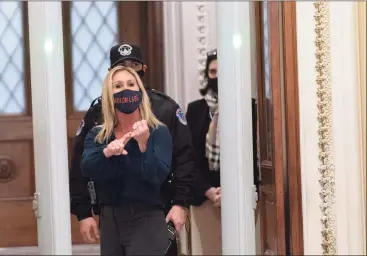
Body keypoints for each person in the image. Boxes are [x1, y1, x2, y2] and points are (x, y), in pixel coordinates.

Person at [69, 43, 196, 254]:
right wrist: (83, 211)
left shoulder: (164, 109)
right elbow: (81, 165)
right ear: (110, 75)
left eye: (134, 65)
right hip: (110, 214)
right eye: (122, 66)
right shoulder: (97, 115)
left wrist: (181, 203)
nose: (129, 69)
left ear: (143, 70)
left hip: (156, 210)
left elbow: (184, 158)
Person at [81, 66, 172, 255]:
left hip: (145, 218)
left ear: (140, 91)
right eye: (118, 86)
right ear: (109, 94)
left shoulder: (158, 131)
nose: (126, 90)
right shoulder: (98, 135)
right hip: (109, 221)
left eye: (131, 84)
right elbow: (87, 168)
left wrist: (143, 144)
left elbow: (156, 175)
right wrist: (106, 152)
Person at [185, 49, 259, 255]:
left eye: (221, 70)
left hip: (240, 198)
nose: (216, 77)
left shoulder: (249, 107)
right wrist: (209, 191)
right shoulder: (196, 110)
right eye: (212, 71)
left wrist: (234, 190)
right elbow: (188, 158)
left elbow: (252, 156)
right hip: (205, 198)